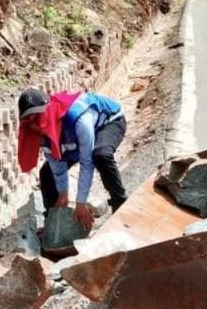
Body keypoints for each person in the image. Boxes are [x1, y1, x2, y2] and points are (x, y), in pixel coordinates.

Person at [17, 88, 128, 230]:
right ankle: (54, 224)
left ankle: (120, 206)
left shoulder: (78, 118)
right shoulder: (38, 130)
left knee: (100, 155)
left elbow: (87, 163)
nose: (33, 124)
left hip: (108, 122)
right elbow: (56, 163)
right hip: (72, 139)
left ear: (47, 111)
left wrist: (80, 202)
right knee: (46, 173)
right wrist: (63, 194)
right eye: (29, 120)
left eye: (36, 118)